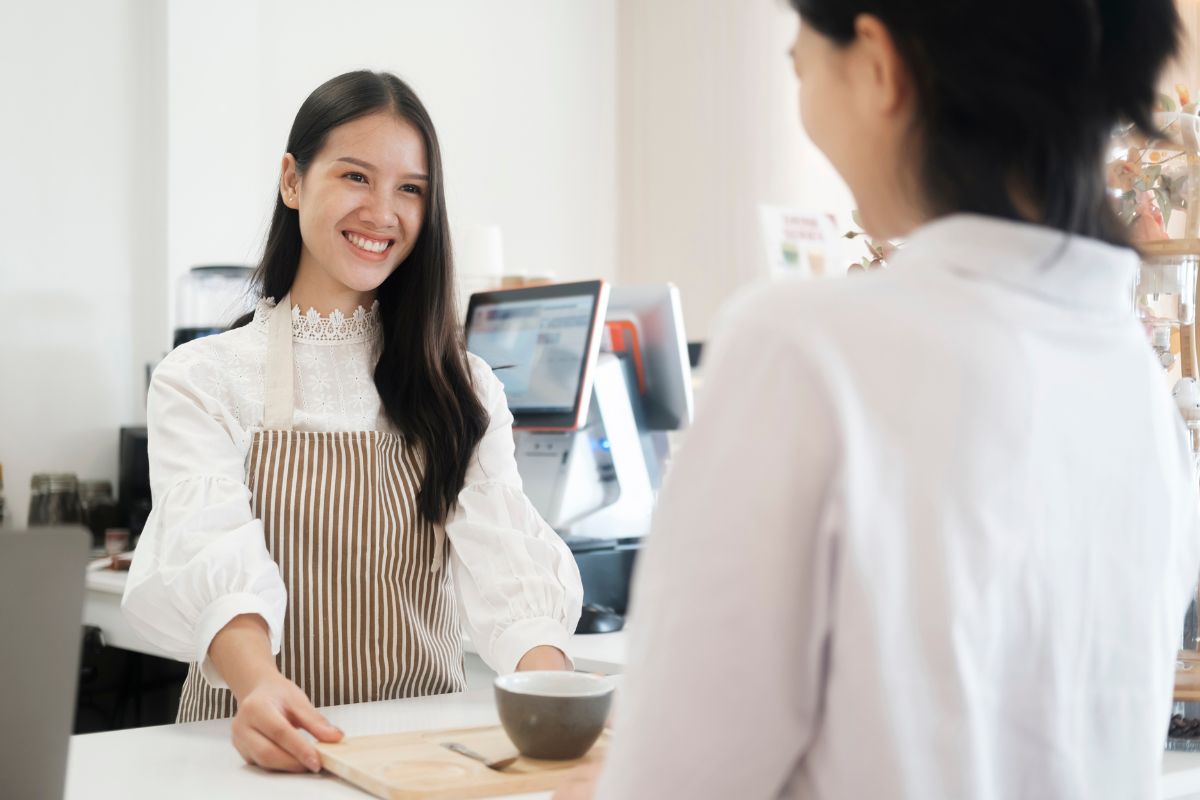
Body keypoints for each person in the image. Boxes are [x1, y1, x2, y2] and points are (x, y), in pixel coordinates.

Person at [557, 2, 1200, 799]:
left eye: (801, 63)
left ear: (878, 65)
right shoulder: (1141, 394)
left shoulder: (801, 349)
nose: (801, 90)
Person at [123, 70, 582, 773]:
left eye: (410, 189)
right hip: (258, 748)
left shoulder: (462, 386)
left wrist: (556, 704)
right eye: (356, 177)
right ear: (292, 181)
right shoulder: (202, 379)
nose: (383, 212)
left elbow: (508, 569)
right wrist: (261, 688)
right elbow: (207, 550)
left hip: (418, 756)